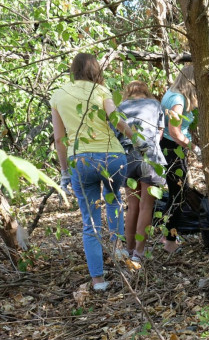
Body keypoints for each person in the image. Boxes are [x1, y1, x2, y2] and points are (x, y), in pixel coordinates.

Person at [50, 53, 134, 291]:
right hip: (112, 157)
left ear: (72, 70)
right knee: (115, 199)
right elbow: (116, 120)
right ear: (95, 70)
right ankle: (118, 252)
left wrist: (65, 171)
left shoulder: (58, 94)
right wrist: (136, 138)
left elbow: (59, 139)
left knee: (90, 222)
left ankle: (98, 281)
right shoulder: (101, 91)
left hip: (82, 160)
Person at [118, 81, 165, 264]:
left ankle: (129, 249)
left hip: (127, 157)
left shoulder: (119, 107)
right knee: (146, 206)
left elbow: (117, 133)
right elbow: (159, 134)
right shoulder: (154, 104)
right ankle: (139, 252)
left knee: (133, 205)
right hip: (150, 155)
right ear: (146, 91)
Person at [159, 65, 200, 254]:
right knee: (178, 195)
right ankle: (169, 241)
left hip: (171, 149)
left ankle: (167, 234)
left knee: (177, 193)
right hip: (172, 149)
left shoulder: (172, 93)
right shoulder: (178, 100)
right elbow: (174, 132)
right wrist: (194, 148)